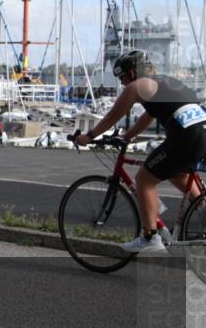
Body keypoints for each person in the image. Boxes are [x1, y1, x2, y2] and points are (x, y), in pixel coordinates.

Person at [75, 49, 206, 252]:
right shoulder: (163, 81)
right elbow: (148, 116)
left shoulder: (136, 86)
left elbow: (112, 116)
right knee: (175, 172)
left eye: (121, 78)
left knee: (144, 179)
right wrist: (127, 136)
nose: (122, 83)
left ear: (132, 73)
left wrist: (89, 136)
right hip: (201, 132)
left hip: (186, 137)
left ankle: (149, 237)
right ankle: (203, 208)